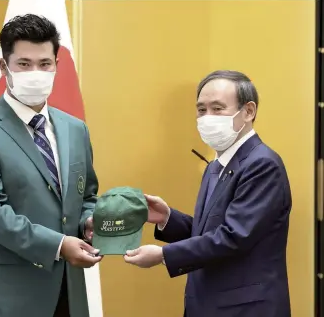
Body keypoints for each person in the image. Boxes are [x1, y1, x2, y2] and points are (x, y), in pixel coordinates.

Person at [0, 14, 102, 317]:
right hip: (5, 295)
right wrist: (60, 245)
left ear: (57, 66)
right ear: (4, 67)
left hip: (69, 293)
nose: (36, 72)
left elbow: (86, 196)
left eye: (45, 64)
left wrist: (88, 222)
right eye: (24, 64)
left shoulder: (75, 129)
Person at [124, 70, 292, 317]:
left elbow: (233, 237)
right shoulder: (216, 165)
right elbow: (209, 232)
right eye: (201, 110)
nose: (207, 117)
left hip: (246, 309)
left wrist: (163, 255)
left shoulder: (262, 164)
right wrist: (167, 218)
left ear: (248, 111)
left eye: (217, 108)